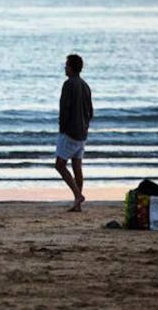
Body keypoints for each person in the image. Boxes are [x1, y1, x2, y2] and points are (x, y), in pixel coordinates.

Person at [55, 54, 93, 212]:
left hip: (70, 131)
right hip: (82, 132)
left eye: (66, 65)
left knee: (60, 165)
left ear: (71, 67)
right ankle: (77, 205)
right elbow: (90, 111)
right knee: (77, 166)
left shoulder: (69, 84)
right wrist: (85, 126)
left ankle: (78, 195)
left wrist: (62, 128)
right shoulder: (85, 85)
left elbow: (64, 108)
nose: (65, 67)